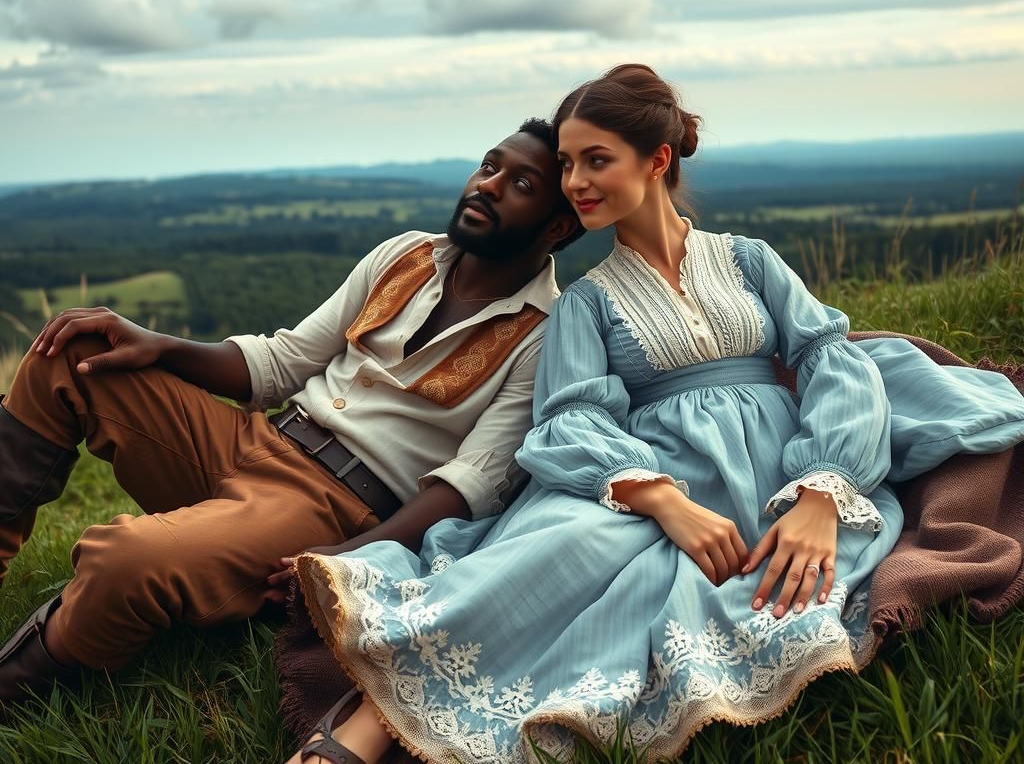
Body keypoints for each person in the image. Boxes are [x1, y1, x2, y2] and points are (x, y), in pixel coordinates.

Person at [277, 65, 1024, 764]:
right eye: (567, 166)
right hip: (650, 474)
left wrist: (823, 494)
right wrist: (660, 498)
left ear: (657, 159)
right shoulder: (586, 303)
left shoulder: (749, 260)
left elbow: (833, 361)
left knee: (669, 580)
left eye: (594, 160)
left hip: (775, 475)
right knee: (561, 546)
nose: (575, 182)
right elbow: (567, 419)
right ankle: (366, 726)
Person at [0, 118, 582, 705]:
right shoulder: (404, 255)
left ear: (557, 226)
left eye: (522, 185)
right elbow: (283, 362)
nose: (488, 185)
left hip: (327, 508)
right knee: (75, 351)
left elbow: (470, 484)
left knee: (127, 562)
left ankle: (15, 687)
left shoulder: (545, 332)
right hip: (252, 439)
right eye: (489, 166)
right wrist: (158, 344)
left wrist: (348, 558)